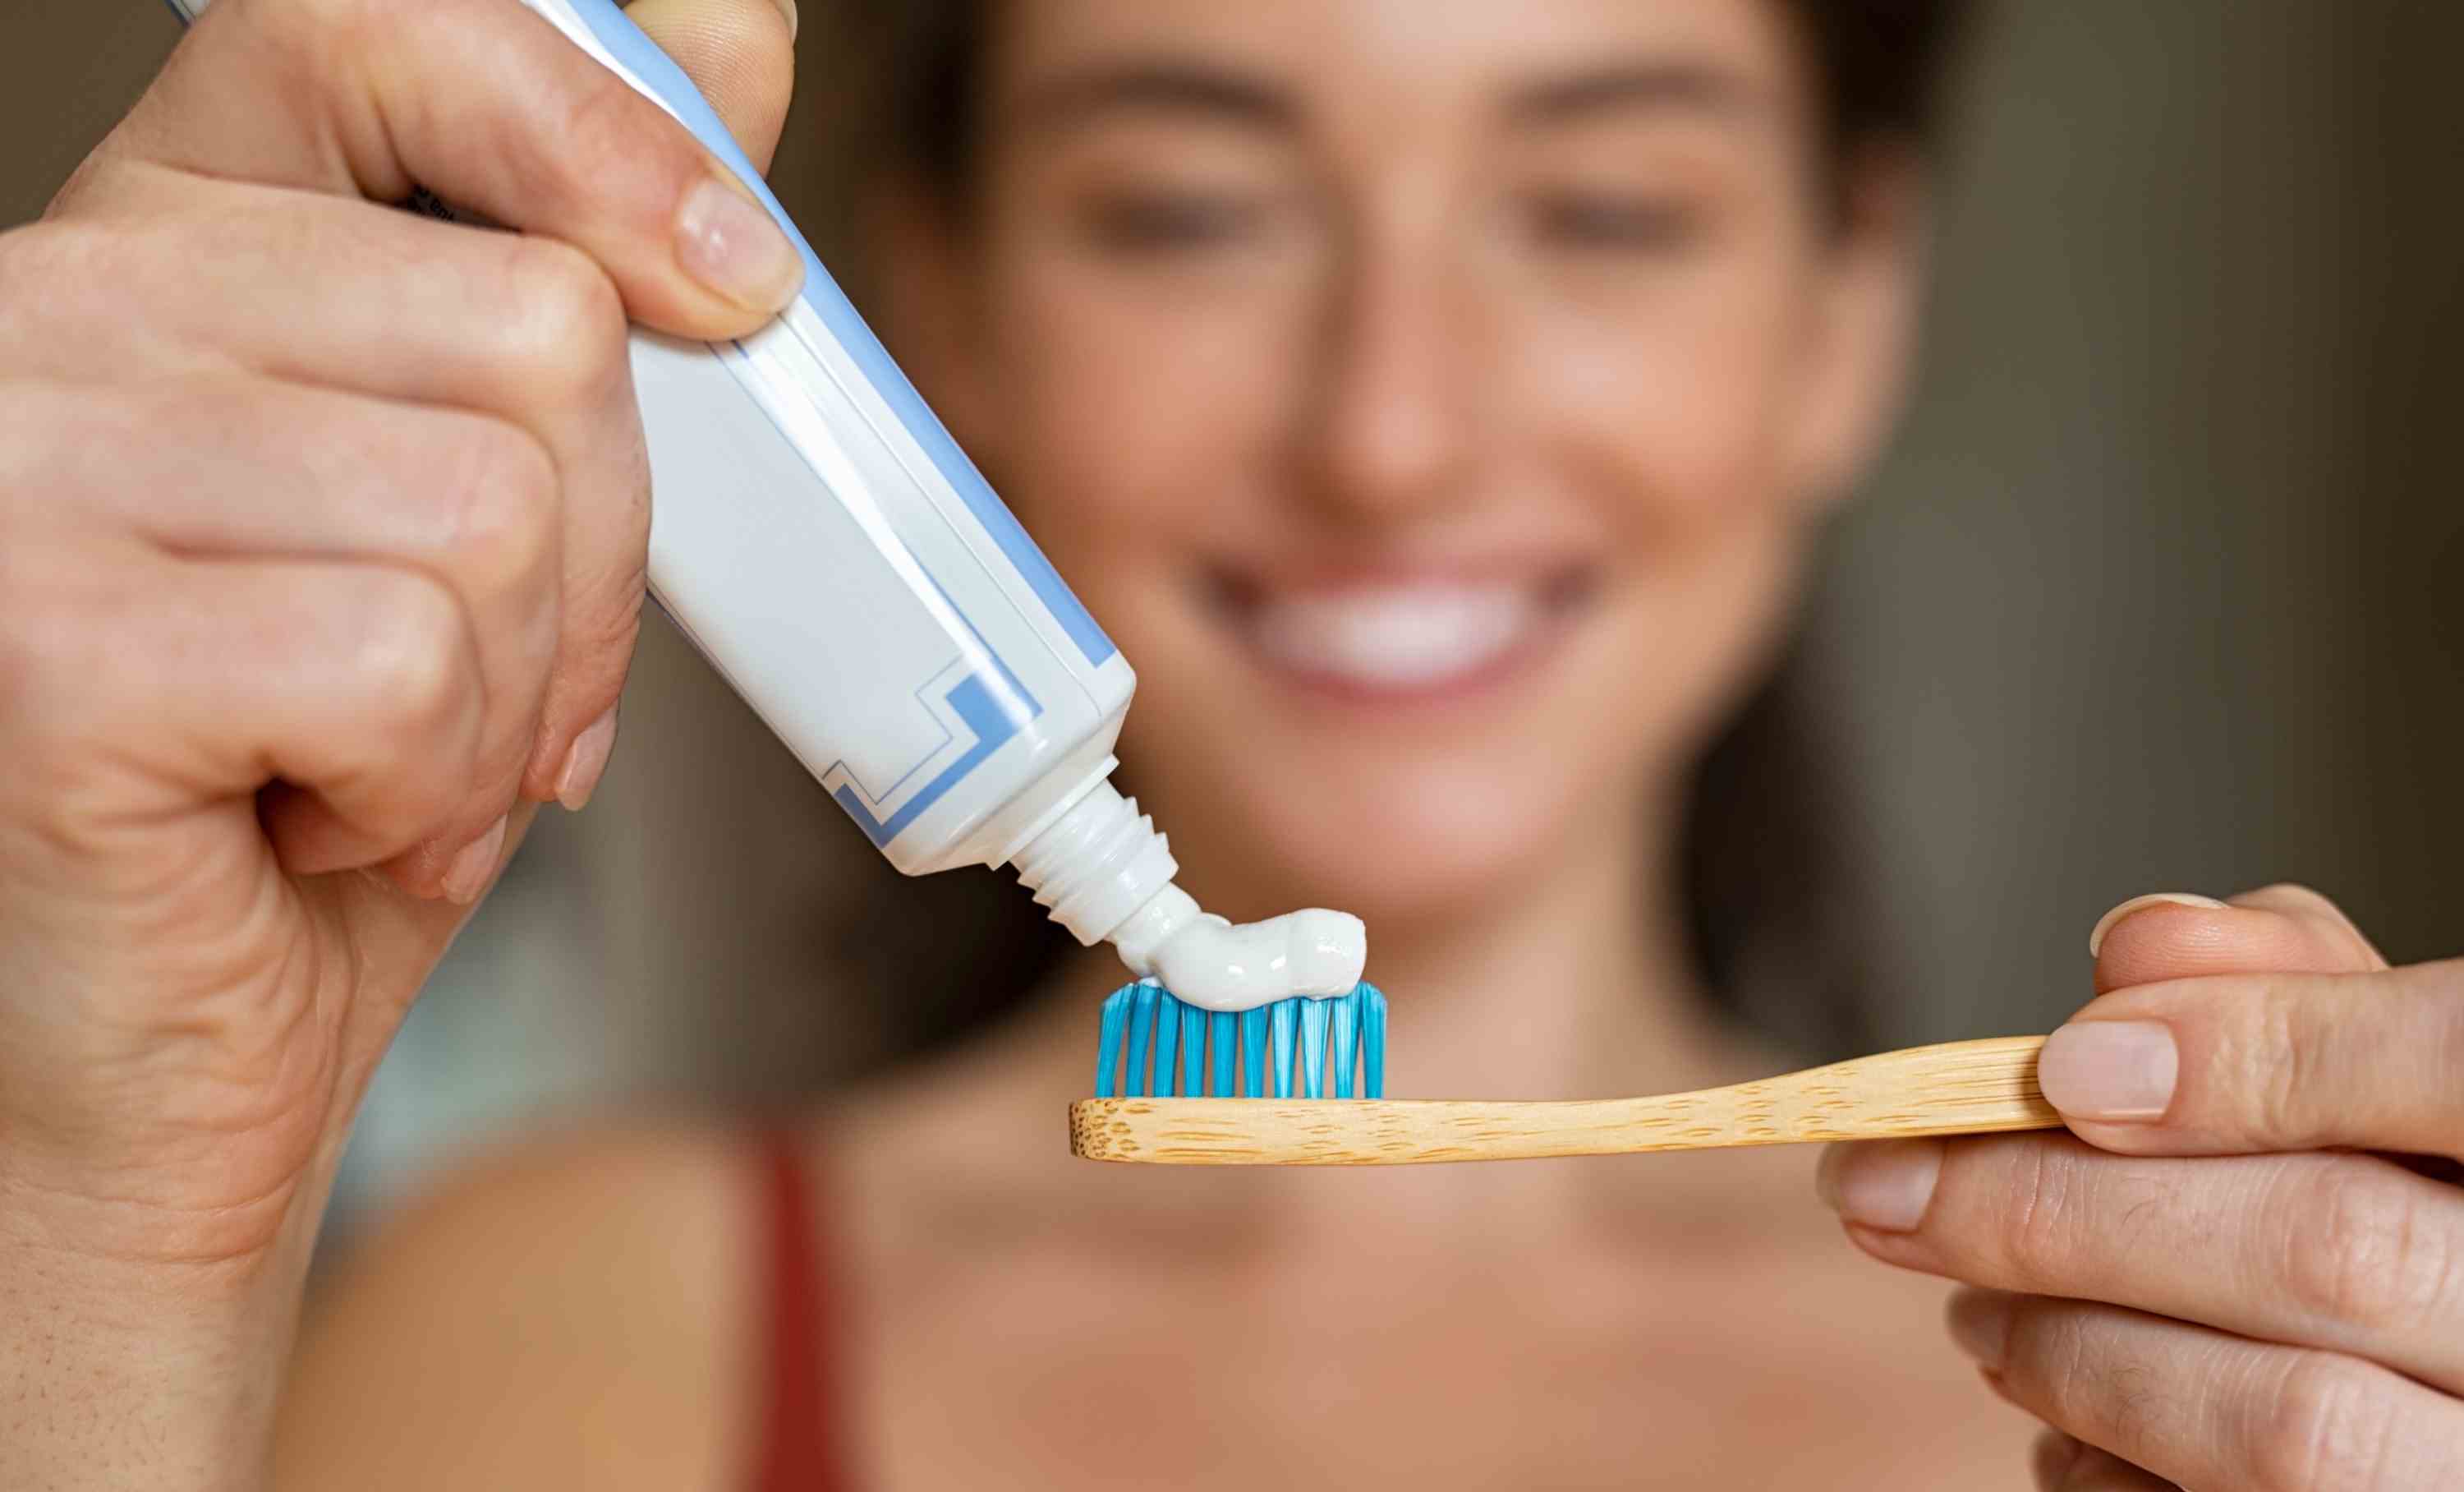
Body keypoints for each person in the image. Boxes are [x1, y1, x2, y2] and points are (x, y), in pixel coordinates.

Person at [3, 0, 2459, 1487]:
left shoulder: (2204, 1374)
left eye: (1605, 209)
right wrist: (110, 1199)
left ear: (1849, 306)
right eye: (1188, 207)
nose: (1390, 432)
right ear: (928, 301)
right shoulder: (557, 1325)